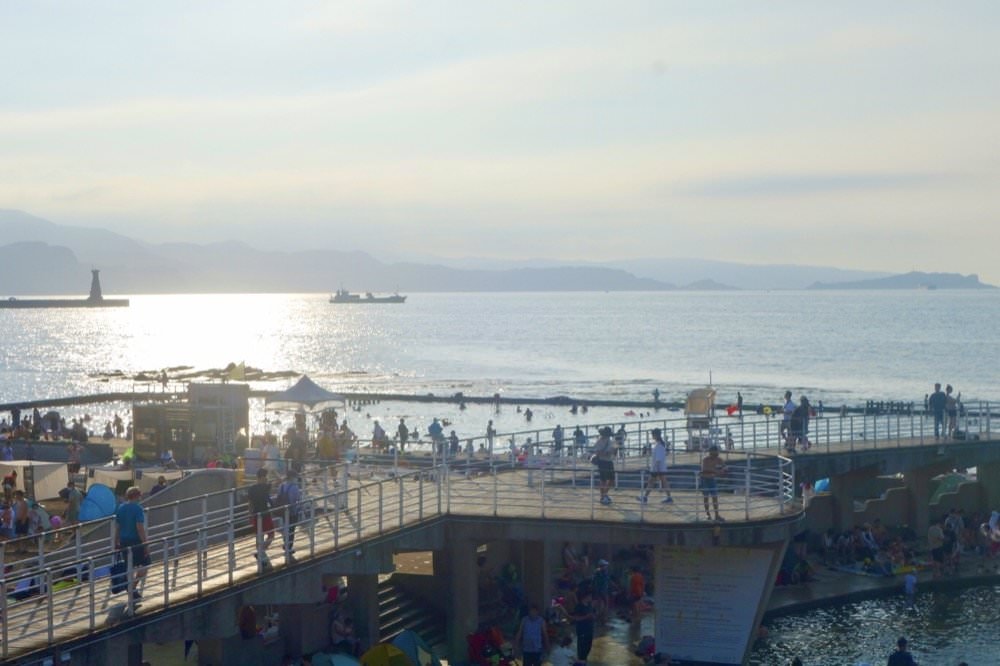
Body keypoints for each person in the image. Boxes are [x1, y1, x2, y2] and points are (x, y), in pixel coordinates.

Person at [114, 486, 149, 599]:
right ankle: (132, 587)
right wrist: (145, 544)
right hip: (136, 542)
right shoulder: (138, 509)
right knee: (145, 565)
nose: (140, 497)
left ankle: (130, 587)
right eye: (139, 495)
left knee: (130, 566)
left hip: (124, 541)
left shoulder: (121, 508)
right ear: (136, 495)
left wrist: (116, 541)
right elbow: (140, 528)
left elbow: (118, 527)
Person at [248, 468, 275, 570]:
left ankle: (260, 554)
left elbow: (250, 503)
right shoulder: (265, 487)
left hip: (255, 514)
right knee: (271, 535)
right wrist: (274, 472)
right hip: (265, 513)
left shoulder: (251, 488)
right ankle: (260, 551)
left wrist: (249, 514)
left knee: (259, 536)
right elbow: (280, 481)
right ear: (263, 477)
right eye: (266, 477)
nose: (267, 479)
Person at [638, 428, 673, 504]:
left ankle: (645, 497)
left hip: (657, 468)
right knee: (662, 482)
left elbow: (658, 459)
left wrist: (655, 469)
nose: (652, 436)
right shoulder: (659, 445)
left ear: (655, 435)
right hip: (659, 468)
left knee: (651, 482)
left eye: (652, 435)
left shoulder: (659, 445)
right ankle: (668, 497)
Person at [276, 470, 302, 563]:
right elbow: (297, 499)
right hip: (292, 511)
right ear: (292, 477)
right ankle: (289, 547)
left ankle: (285, 544)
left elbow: (278, 496)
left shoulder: (281, 486)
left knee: (285, 528)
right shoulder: (294, 487)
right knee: (291, 529)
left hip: (283, 511)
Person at [701, 445, 726, 522]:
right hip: (704, 480)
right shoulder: (705, 460)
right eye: (714, 451)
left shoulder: (719, 460)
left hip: (712, 479)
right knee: (706, 497)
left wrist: (723, 470)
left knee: (715, 497)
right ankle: (708, 515)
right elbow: (705, 469)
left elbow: (724, 467)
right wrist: (717, 471)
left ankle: (716, 515)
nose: (716, 453)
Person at [570, 589, 596, 664]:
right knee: (582, 650)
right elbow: (576, 618)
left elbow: (593, 614)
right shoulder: (579, 606)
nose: (591, 597)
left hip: (590, 630)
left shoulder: (590, 605)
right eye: (590, 596)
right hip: (582, 631)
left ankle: (583, 662)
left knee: (588, 648)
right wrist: (586, 616)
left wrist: (594, 616)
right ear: (585, 596)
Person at [592, 427, 616, 505]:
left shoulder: (611, 440)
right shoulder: (599, 441)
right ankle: (603, 496)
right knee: (603, 480)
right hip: (602, 462)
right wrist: (607, 453)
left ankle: (604, 494)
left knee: (612, 480)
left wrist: (613, 451)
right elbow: (597, 452)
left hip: (609, 461)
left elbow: (616, 449)